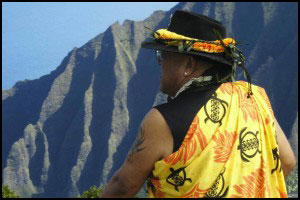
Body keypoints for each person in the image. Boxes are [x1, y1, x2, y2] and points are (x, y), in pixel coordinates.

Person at [100, 10, 296, 198]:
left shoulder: (162, 121)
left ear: (188, 66)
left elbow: (123, 186)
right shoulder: (252, 97)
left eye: (164, 56)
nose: (160, 63)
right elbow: (286, 161)